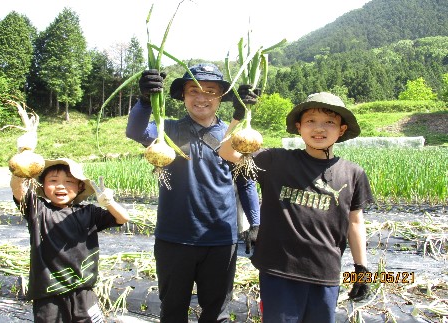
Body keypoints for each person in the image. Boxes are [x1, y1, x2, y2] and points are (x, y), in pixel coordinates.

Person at [219, 90, 374, 323]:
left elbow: (355, 222)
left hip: (326, 272)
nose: (319, 128)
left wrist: (361, 268)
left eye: (329, 122)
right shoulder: (276, 161)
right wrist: (239, 116)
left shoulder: (352, 173)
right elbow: (225, 151)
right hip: (279, 272)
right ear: (299, 126)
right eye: (311, 121)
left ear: (341, 130)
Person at [126, 63, 260, 322]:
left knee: (217, 312)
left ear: (221, 96)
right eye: (193, 91)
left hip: (221, 239)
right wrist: (144, 100)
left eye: (210, 91)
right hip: (174, 238)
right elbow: (135, 131)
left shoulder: (234, 136)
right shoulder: (168, 131)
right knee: (173, 310)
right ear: (184, 96)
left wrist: (255, 222)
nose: (201, 98)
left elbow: (246, 181)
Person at [10, 157, 130, 323]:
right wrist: (23, 156)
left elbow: (123, 218)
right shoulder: (38, 210)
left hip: (83, 291)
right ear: (42, 185)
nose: (61, 186)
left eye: (69, 181)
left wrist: (110, 203)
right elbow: (17, 189)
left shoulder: (89, 212)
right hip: (48, 294)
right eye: (53, 181)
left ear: (80, 186)